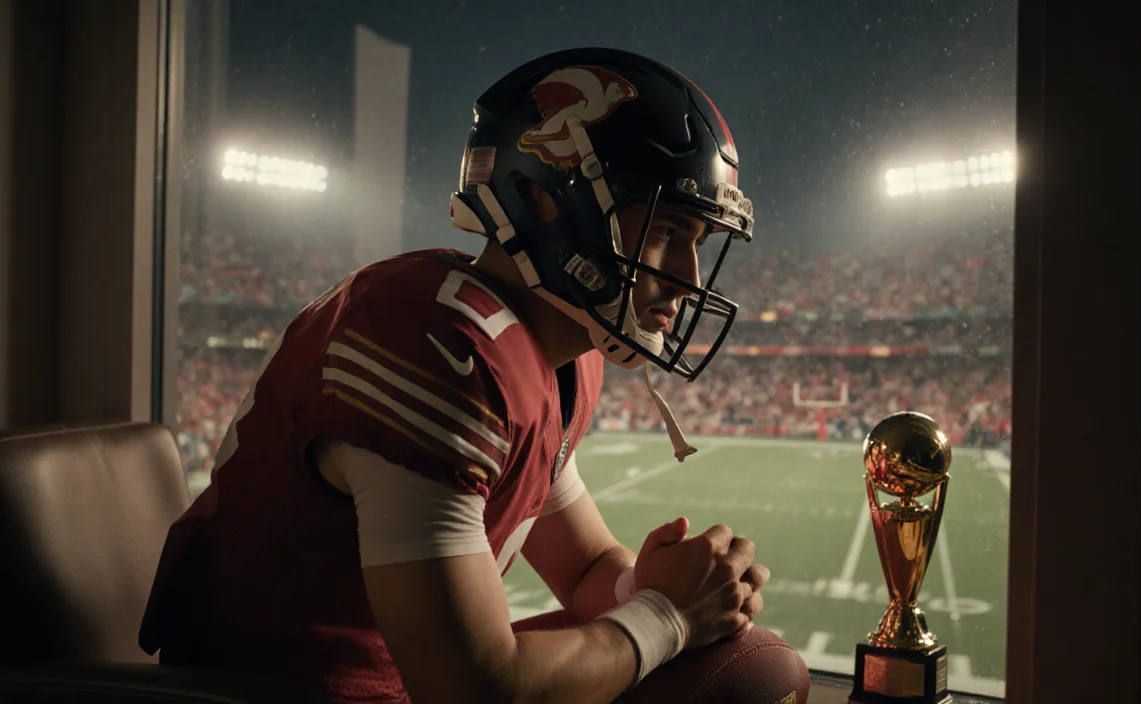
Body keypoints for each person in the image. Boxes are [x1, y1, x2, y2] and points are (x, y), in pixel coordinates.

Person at [140, 47, 766, 703]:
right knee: (738, 680)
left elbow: (583, 568)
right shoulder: (431, 345)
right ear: (546, 202)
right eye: (667, 231)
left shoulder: (560, 353)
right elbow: (469, 689)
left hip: (391, 680)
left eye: (699, 242)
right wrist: (668, 618)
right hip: (281, 688)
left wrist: (655, 587)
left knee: (750, 663)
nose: (689, 282)